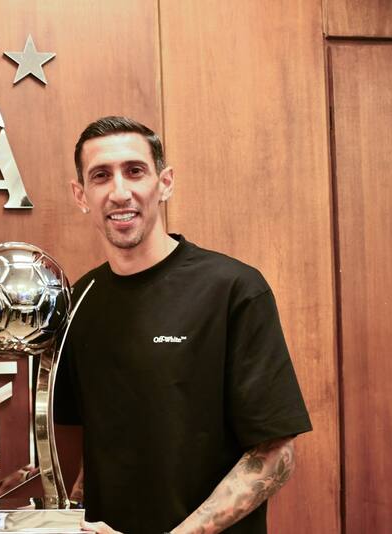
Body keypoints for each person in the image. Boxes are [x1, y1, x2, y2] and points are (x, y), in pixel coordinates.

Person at [53, 116, 312, 534]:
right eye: (101, 176)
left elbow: (276, 452)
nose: (120, 192)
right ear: (81, 194)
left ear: (165, 182)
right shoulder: (79, 300)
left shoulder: (233, 289)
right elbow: (93, 451)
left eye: (135, 171)